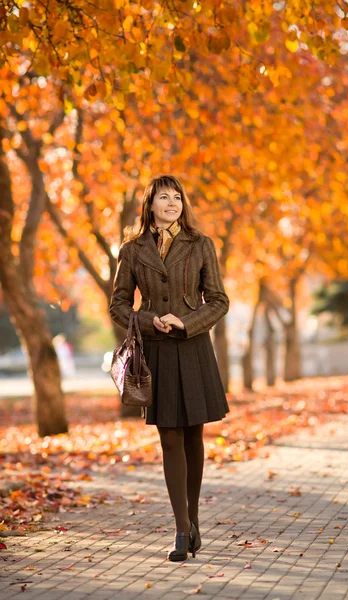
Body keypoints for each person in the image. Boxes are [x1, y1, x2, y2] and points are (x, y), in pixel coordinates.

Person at [109, 175, 230, 561]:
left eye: (178, 197)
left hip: (193, 349)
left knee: (194, 435)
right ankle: (181, 529)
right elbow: (118, 304)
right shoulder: (131, 249)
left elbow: (219, 300)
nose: (172, 203)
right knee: (169, 437)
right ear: (150, 205)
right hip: (156, 352)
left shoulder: (201, 245)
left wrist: (184, 321)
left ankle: (194, 520)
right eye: (164, 197)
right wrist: (149, 321)